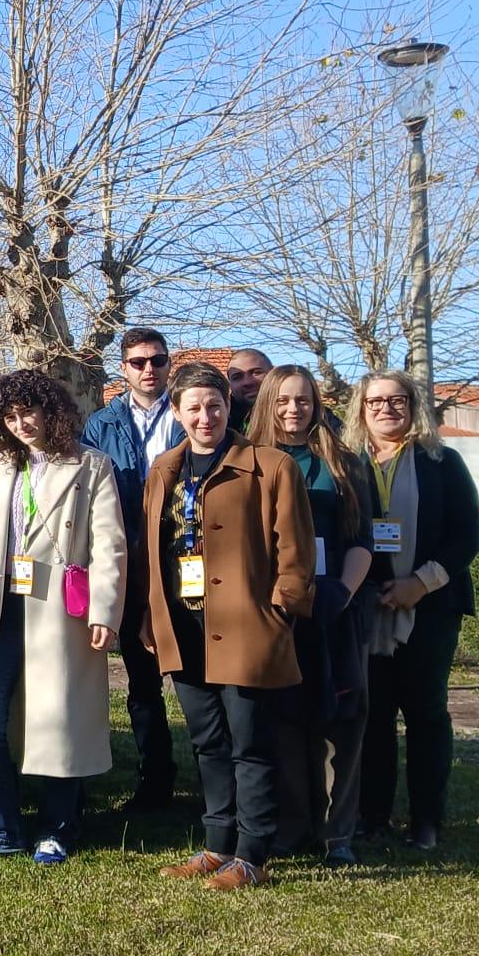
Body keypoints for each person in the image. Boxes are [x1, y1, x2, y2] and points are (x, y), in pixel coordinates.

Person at [143, 363, 314, 890]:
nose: (205, 417)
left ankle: (253, 855)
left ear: (228, 407)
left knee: (250, 743)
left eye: (214, 406)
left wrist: (280, 611)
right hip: (185, 625)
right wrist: (151, 616)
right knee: (208, 741)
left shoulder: (271, 466)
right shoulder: (164, 470)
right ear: (177, 412)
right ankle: (217, 846)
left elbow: (296, 551)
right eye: (193, 408)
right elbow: (152, 550)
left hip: (246, 624)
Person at [0, 372, 127, 864]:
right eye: (10, 416)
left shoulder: (91, 465)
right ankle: (4, 827)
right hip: (2, 607)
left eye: (28, 411)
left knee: (59, 721)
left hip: (61, 613)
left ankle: (59, 827)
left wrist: (105, 610)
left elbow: (109, 545)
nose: (21, 424)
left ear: (51, 410)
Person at [346, 370, 479, 853]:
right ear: (361, 410)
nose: (386, 409)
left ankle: (426, 819)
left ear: (412, 405)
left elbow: (468, 535)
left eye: (396, 400)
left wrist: (419, 584)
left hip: (430, 608)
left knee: (425, 714)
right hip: (367, 607)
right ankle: (373, 815)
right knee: (374, 716)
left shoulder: (441, 461)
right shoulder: (349, 465)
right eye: (375, 402)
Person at [249, 365, 374, 866]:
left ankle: (337, 833)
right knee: (283, 721)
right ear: (267, 403)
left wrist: (343, 591)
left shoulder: (342, 462)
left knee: (342, 723)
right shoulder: (247, 459)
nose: (293, 409)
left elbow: (362, 540)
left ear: (317, 404)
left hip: (334, 607)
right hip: (274, 611)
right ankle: (293, 825)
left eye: (303, 399)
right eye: (282, 400)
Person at [82, 325, 185, 811]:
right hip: (127, 560)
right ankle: (155, 779)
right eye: (138, 362)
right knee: (142, 682)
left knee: (197, 674)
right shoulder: (101, 424)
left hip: (182, 557)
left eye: (157, 360)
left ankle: (220, 782)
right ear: (122, 369)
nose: (149, 369)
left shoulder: (188, 414)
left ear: (169, 364)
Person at [225, 348, 273, 433]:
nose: (247, 382)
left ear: (273, 374)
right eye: (237, 377)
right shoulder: (220, 423)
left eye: (256, 373)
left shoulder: (293, 412)